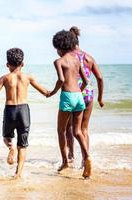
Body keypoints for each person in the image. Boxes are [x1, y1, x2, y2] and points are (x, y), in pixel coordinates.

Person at [0, 48, 49, 179]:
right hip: (23, 111)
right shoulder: (28, 77)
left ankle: (10, 148)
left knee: (7, 137)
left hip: (10, 110)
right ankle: (18, 173)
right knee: (23, 144)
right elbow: (45, 92)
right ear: (23, 64)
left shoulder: (4, 78)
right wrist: (55, 90)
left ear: (7, 64)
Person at [48, 30, 92, 178]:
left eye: (57, 49)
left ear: (59, 47)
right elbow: (86, 81)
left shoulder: (59, 61)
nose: (57, 52)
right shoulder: (77, 60)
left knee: (61, 130)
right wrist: (78, 92)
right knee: (78, 131)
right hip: (79, 96)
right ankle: (87, 158)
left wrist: (52, 92)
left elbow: (61, 80)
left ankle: (65, 161)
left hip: (67, 96)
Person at [65, 27, 104, 166]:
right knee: (84, 129)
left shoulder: (68, 57)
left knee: (70, 127)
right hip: (88, 94)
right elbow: (99, 78)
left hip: (74, 92)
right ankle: (85, 159)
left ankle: (70, 156)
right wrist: (100, 98)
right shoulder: (89, 57)